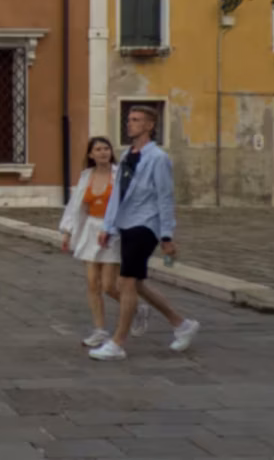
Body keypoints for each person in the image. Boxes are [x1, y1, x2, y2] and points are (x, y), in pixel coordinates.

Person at [89, 105, 200, 360]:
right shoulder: (127, 154)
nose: (130, 123)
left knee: (125, 282)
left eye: (137, 120)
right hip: (126, 223)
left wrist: (167, 235)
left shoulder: (158, 158)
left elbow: (165, 196)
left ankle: (117, 343)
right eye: (129, 119)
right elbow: (117, 194)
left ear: (150, 126)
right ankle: (182, 324)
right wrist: (108, 226)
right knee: (136, 282)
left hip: (146, 225)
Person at [59, 136, 122, 347]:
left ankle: (133, 308)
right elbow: (75, 206)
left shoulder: (120, 174)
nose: (103, 152)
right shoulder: (86, 176)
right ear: (91, 155)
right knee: (92, 284)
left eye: (106, 148)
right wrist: (67, 232)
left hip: (112, 232)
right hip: (90, 230)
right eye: (98, 149)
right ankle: (100, 330)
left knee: (108, 286)